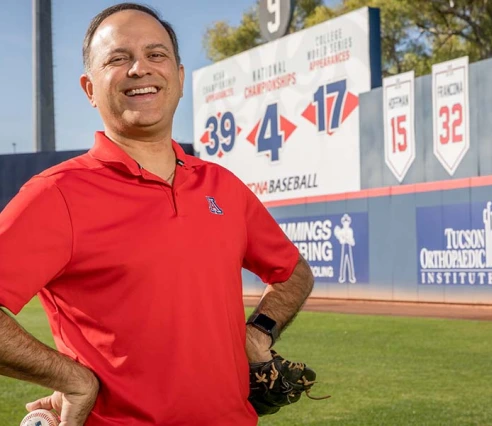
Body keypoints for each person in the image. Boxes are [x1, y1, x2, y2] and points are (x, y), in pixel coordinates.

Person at [0, 3, 314, 425]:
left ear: (180, 78)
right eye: (117, 58)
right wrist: (75, 379)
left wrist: (257, 333)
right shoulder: (57, 194)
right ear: (89, 89)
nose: (139, 69)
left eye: (156, 54)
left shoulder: (222, 185)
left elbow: (293, 273)